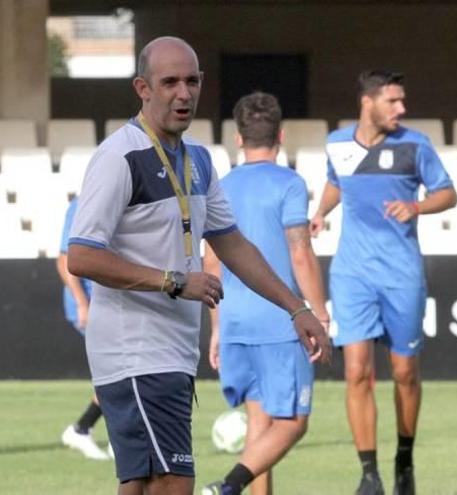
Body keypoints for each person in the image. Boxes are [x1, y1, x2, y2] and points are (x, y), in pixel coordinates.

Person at [66, 37, 331, 495]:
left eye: (192, 81)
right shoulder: (119, 157)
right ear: (143, 88)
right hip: (134, 352)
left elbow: (233, 245)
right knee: (173, 483)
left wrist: (297, 308)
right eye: (169, 82)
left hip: (172, 352)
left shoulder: (198, 160)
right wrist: (172, 282)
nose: (183, 93)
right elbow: (82, 256)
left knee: (142, 485)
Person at [309, 70, 457, 495]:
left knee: (405, 372)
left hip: (402, 274)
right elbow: (338, 183)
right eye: (393, 101)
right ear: (367, 103)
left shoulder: (415, 145)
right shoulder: (337, 143)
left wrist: (417, 206)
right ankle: (368, 474)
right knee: (356, 373)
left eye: (401, 101)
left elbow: (448, 193)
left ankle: (404, 458)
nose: (401, 109)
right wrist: (322, 212)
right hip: (353, 272)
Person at [201, 92, 330, 495]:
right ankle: (226, 487)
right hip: (280, 323)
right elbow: (300, 250)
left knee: (260, 426)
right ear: (282, 136)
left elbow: (211, 263)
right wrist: (319, 313)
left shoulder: (219, 187)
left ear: (238, 140)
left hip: (236, 320)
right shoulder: (290, 183)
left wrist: (217, 328)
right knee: (292, 422)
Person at [56, 195, 110, 461]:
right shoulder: (83, 203)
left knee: (124, 373)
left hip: (113, 303)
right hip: (93, 305)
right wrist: (82, 303)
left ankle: (92, 431)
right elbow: (64, 260)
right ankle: (83, 429)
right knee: (120, 374)